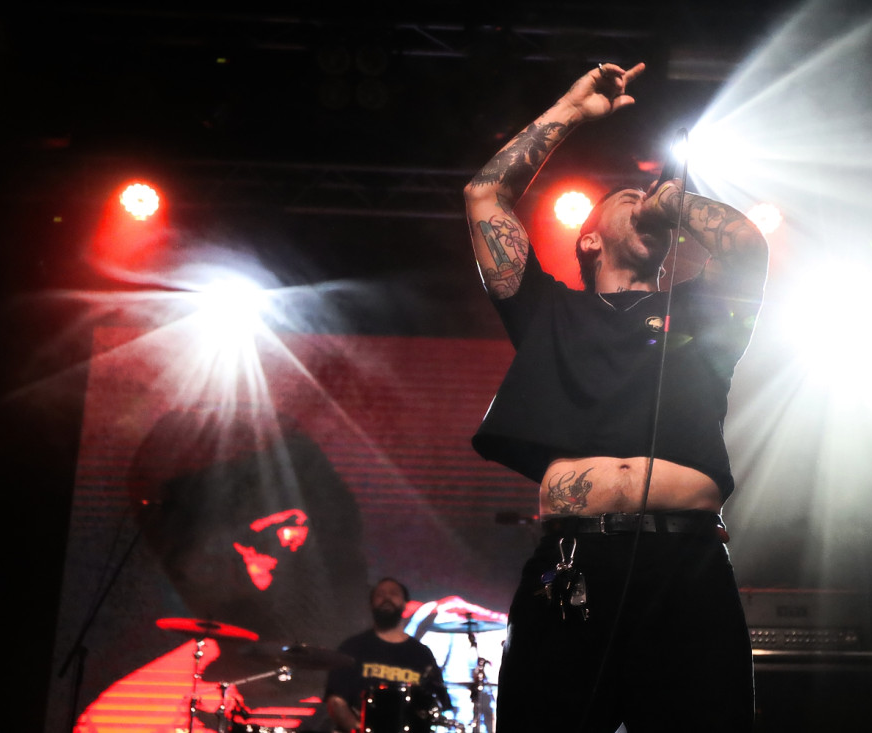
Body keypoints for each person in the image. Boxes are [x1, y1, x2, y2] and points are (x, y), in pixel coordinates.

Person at [463, 61, 769, 732]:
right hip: (574, 561)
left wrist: (670, 202)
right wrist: (571, 111)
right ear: (589, 237)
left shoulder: (699, 315)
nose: (642, 197)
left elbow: (746, 246)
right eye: (626, 197)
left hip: (686, 563)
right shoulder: (549, 312)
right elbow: (486, 195)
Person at [325, 578, 452, 733]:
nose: (386, 598)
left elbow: (439, 703)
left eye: (393, 594)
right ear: (371, 604)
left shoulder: (422, 654)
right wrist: (357, 729)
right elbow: (336, 701)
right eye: (380, 595)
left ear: (405, 604)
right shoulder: (352, 648)